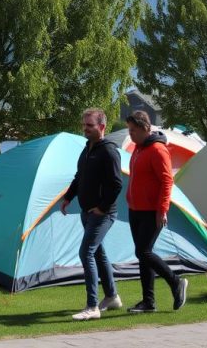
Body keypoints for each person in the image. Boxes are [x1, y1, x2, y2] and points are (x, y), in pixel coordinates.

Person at [61, 108, 123, 321]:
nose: (85, 129)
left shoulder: (109, 151)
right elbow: (80, 177)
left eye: (90, 125)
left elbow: (116, 185)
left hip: (102, 214)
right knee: (98, 253)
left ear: (102, 127)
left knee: (85, 252)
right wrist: (68, 197)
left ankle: (91, 307)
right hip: (86, 212)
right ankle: (112, 297)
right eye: (84, 125)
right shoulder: (87, 148)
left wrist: (103, 208)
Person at [125, 110, 189, 313]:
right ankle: (148, 302)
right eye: (129, 130)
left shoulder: (158, 150)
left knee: (143, 252)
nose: (131, 134)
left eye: (133, 130)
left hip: (152, 211)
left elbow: (167, 181)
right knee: (143, 255)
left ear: (145, 128)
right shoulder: (138, 149)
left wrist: (162, 210)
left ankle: (176, 281)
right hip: (135, 209)